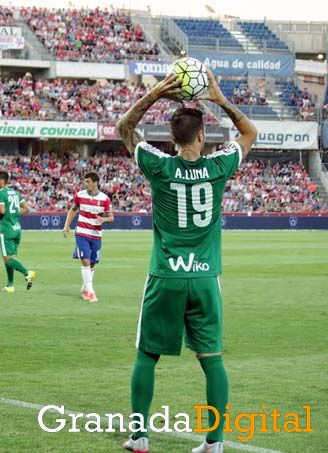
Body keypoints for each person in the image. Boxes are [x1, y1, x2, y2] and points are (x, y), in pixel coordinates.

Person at [116, 70, 257, 453]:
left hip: (166, 275)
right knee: (212, 360)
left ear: (172, 138)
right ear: (201, 136)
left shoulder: (158, 166)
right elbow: (249, 134)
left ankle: (140, 436)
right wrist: (219, 98)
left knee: (147, 354)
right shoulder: (218, 167)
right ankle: (214, 443)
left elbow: (124, 127)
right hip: (206, 278)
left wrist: (155, 93)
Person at [62, 172, 113, 302]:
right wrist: (67, 225)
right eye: (85, 182)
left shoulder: (105, 199)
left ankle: (85, 288)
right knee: (85, 259)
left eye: (88, 182)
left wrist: (103, 219)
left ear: (95, 182)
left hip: (96, 234)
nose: (86, 184)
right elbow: (73, 210)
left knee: (92, 263)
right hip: (82, 232)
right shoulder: (80, 195)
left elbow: (111, 218)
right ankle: (90, 292)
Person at [0, 171, 36, 293]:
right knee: (9, 258)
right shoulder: (16, 193)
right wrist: (15, 216)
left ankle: (27, 272)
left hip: (6, 230)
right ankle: (10, 285)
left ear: (2, 180)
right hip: (17, 229)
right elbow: (26, 209)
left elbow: (2, 211)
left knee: (7, 259)